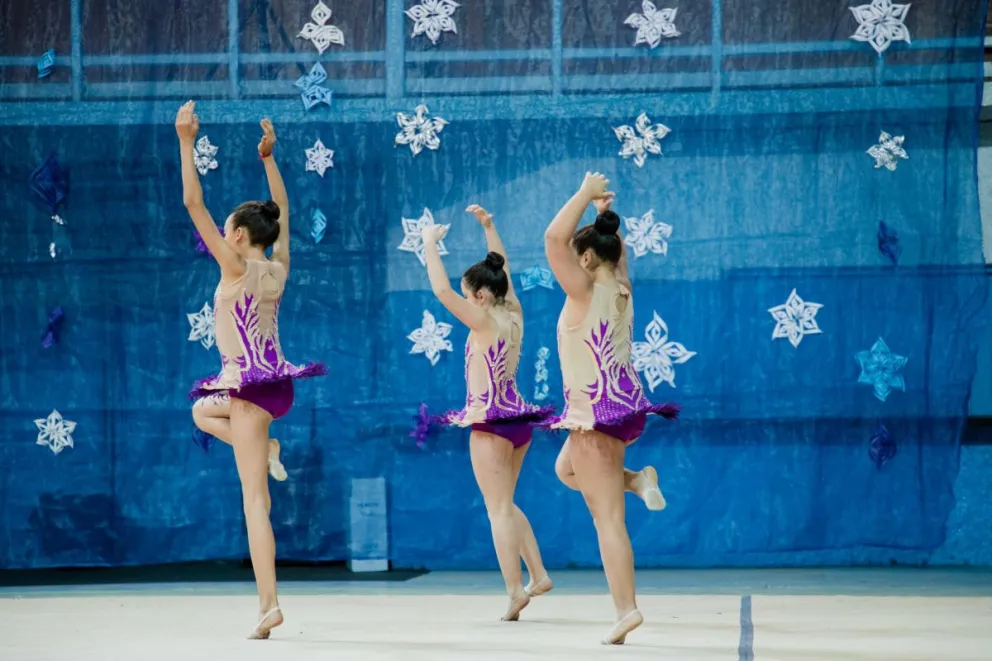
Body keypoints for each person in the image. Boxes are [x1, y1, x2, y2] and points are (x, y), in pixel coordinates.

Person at [176, 101, 325, 640]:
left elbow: (194, 202)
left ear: (237, 235)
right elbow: (279, 210)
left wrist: (186, 141)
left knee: (254, 501)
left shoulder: (235, 265)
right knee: (199, 410)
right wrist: (269, 160)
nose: (221, 230)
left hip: (248, 390)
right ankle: (266, 449)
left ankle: (268, 604)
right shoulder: (276, 264)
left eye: (226, 227)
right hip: (276, 384)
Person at [543, 173, 679, 645]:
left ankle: (626, 609)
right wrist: (604, 217)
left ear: (584, 259)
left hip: (595, 419)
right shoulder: (622, 288)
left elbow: (552, 238)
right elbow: (614, 252)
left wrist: (582, 194)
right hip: (624, 410)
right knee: (565, 469)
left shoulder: (583, 291)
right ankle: (638, 480)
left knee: (608, 519)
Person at [423, 205, 554, 622]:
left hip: (491, 423)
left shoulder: (481, 321)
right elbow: (504, 267)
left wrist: (428, 245)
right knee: (506, 503)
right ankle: (538, 573)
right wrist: (489, 228)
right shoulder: (513, 312)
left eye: (468, 294)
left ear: (479, 297)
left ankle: (515, 591)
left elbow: (442, 292)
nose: (464, 299)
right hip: (518, 423)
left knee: (497, 509)